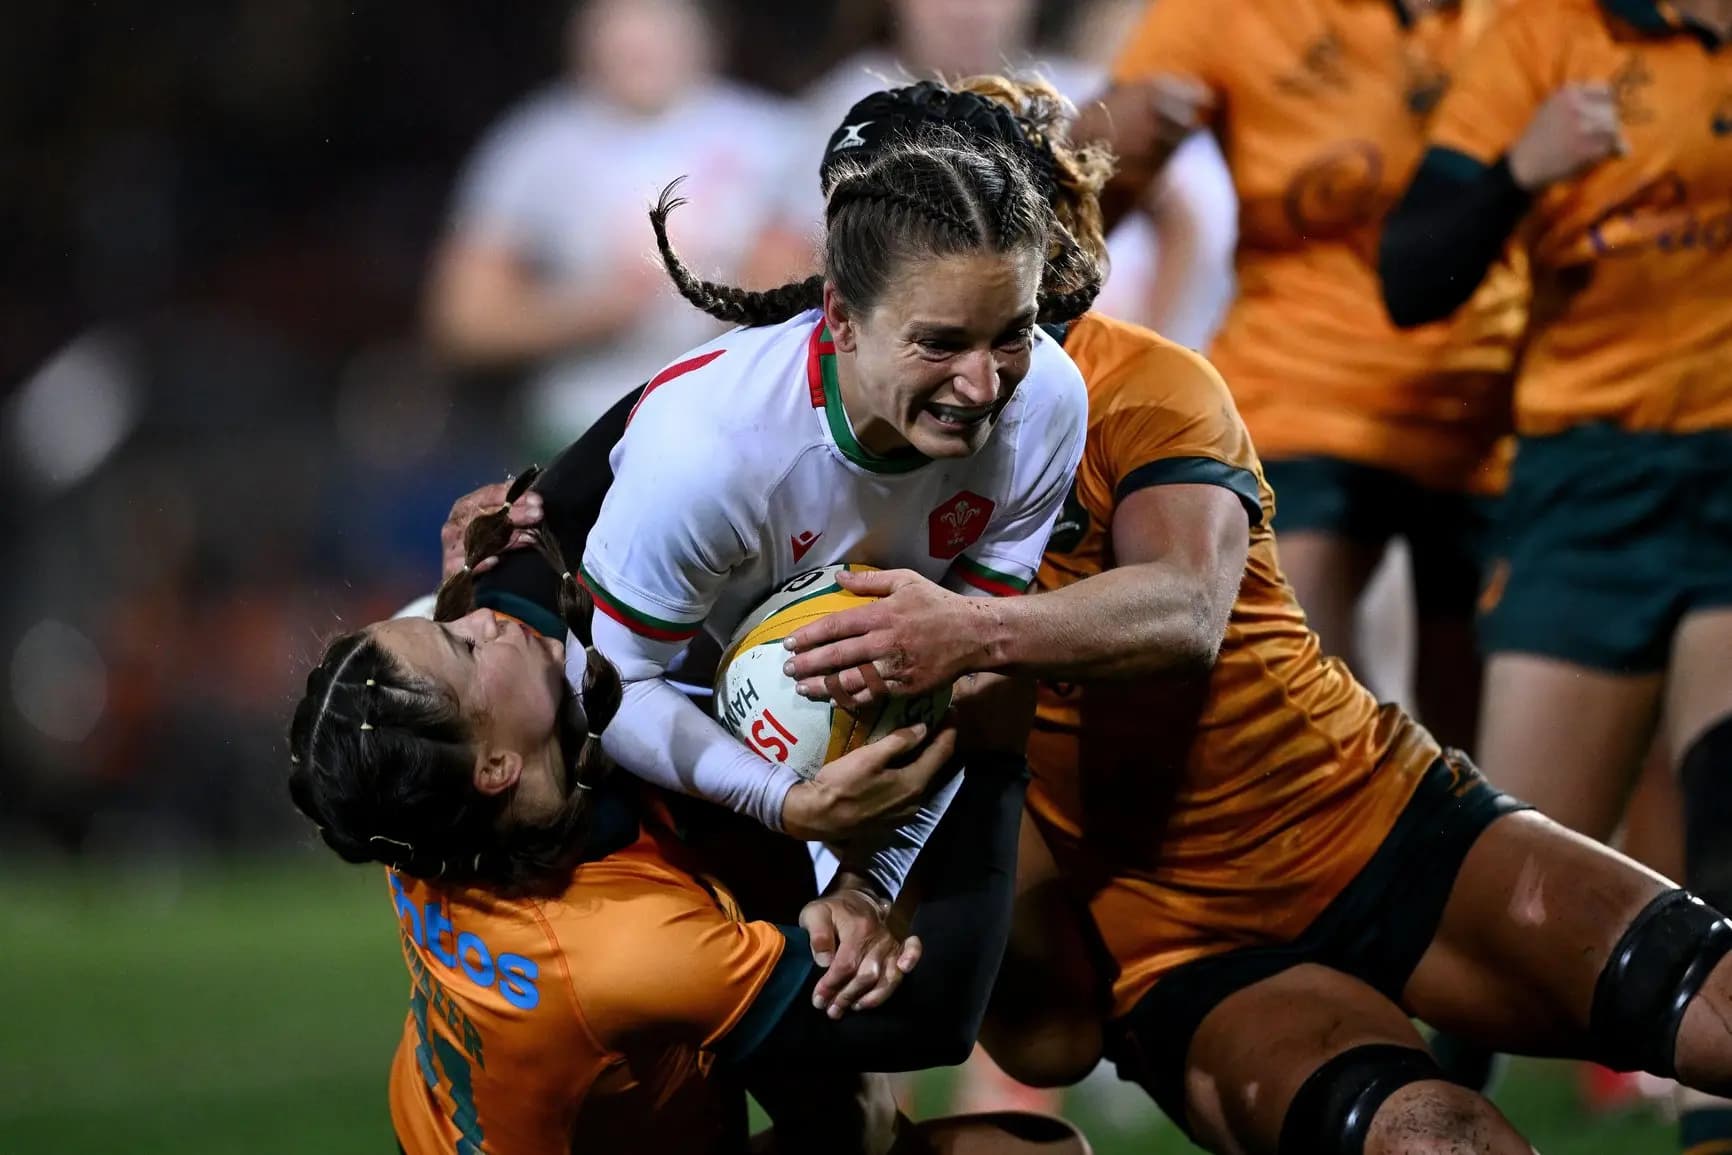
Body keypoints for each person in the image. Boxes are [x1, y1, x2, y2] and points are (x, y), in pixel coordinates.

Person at [769, 76, 1732, 1155]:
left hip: (1368, 818)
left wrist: (968, 635)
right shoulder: (791, 461)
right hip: (1180, 949)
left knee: (1711, 1001)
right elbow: (1047, 1039)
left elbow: (1185, 609)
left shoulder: (1144, 384)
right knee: (1429, 1140)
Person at [287, 484, 1091, 1155]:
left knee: (850, 1105)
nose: (480, 618)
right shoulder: (617, 947)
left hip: (453, 1124)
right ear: (494, 766)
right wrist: (994, 756)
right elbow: (934, 1021)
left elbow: (563, 503)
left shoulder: (412, 803)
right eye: (460, 645)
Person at [1379, 0, 1732, 1144]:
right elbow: (1413, 272)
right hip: (1589, 484)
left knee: (1726, 821)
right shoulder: (1544, 35)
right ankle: (1416, 1108)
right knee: (1500, 908)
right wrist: (1517, 170)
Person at [1065, 0, 1525, 752]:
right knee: (1308, 728)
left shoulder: (1544, 19)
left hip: (1495, 414)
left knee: (1484, 771)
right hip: (1300, 400)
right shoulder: (1226, 11)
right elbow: (1090, 187)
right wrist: (1105, 134)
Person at [748, 0, 1234, 346]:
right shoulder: (848, 105)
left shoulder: (1071, 96)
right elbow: (773, 270)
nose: (968, 9)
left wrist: (1161, 344)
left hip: (1072, 376)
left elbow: (1181, 215)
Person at [425, 0, 795, 454]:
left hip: (736, 429)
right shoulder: (532, 147)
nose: (637, 36)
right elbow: (462, 320)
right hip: (577, 431)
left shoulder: (777, 138)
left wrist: (744, 306)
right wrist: (593, 312)